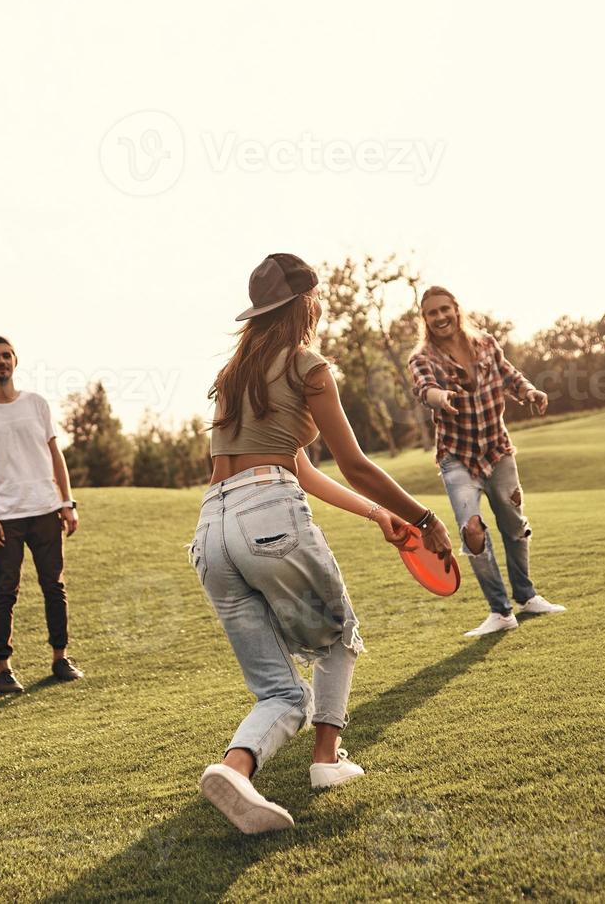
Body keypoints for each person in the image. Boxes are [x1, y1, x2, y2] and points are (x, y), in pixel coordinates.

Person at [192, 254, 455, 835]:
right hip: (269, 516)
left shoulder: (234, 377)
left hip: (212, 530)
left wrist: (379, 515)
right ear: (306, 304)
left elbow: (300, 466)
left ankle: (235, 771)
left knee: (281, 692)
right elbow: (355, 463)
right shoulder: (310, 367)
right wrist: (423, 517)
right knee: (339, 634)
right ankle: (325, 761)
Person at [407, 286, 567, 638]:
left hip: (498, 450)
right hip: (456, 456)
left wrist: (529, 392)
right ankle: (500, 611)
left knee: (514, 524)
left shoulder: (486, 343)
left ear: (456, 309)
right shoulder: (422, 358)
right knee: (472, 531)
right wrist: (441, 397)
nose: (440, 317)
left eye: (445, 309)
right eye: (432, 313)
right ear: (425, 319)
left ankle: (526, 597)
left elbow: (509, 375)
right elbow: (424, 389)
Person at [0, 335, 83, 695]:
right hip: (6, 515)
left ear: (15, 361)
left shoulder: (37, 404)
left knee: (54, 587)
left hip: (46, 508)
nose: (0, 362)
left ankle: (60, 659)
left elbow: (54, 454)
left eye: (6, 356)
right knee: (5, 591)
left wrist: (67, 501)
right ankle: (4, 670)